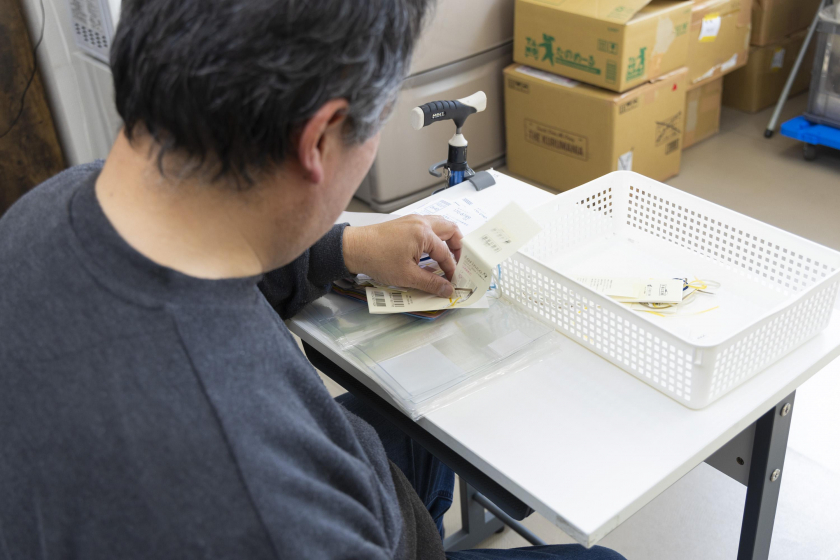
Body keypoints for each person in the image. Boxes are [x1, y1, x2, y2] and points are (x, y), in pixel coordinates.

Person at [0, 1, 626, 559]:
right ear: (319, 140)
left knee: (422, 432)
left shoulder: (53, 206)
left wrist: (348, 248)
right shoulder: (268, 513)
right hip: (330, 516)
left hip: (311, 481)